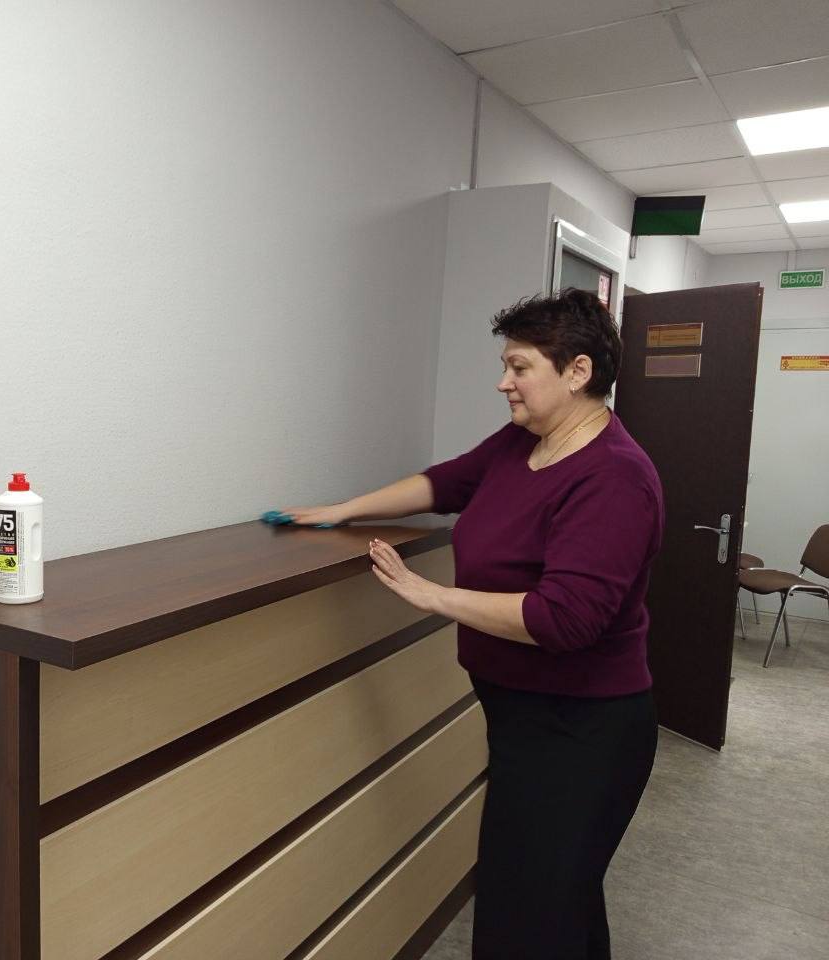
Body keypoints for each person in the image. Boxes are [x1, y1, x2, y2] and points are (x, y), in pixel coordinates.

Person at [282, 288, 663, 960]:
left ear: (577, 372)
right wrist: (343, 510)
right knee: (559, 904)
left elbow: (562, 619)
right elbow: (446, 483)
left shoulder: (615, 478)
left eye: (519, 368)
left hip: (582, 729)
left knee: (527, 918)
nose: (503, 383)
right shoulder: (523, 444)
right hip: (520, 715)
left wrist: (432, 596)